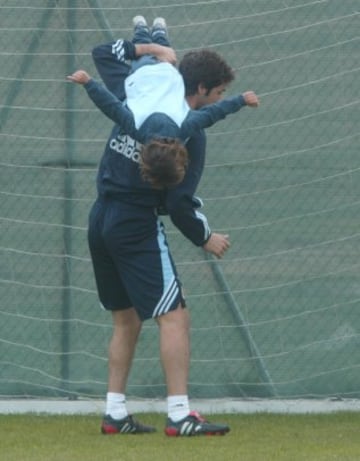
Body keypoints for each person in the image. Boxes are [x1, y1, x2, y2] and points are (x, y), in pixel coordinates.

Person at [80, 16, 259, 436]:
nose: (218, 99)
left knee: (126, 320)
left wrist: (150, 51)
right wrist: (205, 237)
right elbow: (179, 204)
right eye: (218, 93)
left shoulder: (135, 92)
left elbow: (105, 56)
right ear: (199, 91)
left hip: (100, 218)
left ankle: (115, 413)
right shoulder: (187, 134)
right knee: (174, 317)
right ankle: (180, 415)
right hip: (134, 226)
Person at [68, 16, 259, 189]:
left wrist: (240, 100)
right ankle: (148, 30)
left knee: (154, 50)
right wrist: (89, 83)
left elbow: (212, 114)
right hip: (149, 75)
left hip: (161, 74)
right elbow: (112, 107)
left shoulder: (182, 128)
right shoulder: (139, 130)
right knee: (147, 52)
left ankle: (150, 30)